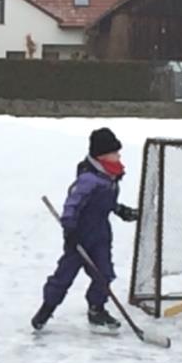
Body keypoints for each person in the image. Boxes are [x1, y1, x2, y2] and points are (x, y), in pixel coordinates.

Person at [31, 128, 138, 333]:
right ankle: (47, 308)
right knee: (64, 276)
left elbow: (106, 203)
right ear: (102, 155)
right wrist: (69, 229)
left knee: (104, 274)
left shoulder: (110, 176)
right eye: (115, 152)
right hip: (80, 237)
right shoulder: (89, 179)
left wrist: (120, 210)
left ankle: (96, 309)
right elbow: (72, 204)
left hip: (101, 236)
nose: (119, 156)